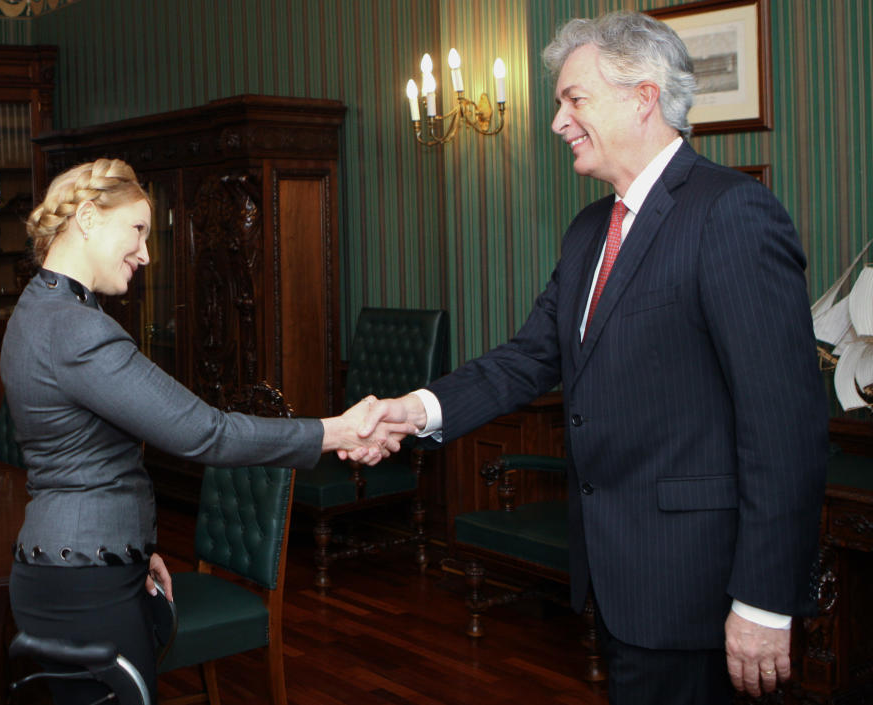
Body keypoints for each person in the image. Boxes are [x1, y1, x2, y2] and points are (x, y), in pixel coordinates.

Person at [349, 11, 828, 705]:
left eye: (573, 99)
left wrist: (762, 600)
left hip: (704, 590)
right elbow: (525, 360)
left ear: (643, 96)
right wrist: (412, 409)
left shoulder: (732, 213)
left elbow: (784, 424)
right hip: (618, 580)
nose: (557, 122)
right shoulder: (586, 233)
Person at [2, 158, 411, 705]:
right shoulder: (78, 329)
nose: (146, 254)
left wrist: (130, 547)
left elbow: (77, 460)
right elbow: (206, 433)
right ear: (88, 219)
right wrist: (337, 431)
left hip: (68, 567)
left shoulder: (37, 308)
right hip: (85, 589)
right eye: (139, 230)